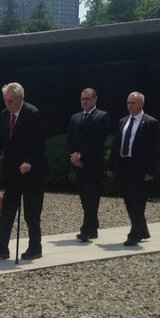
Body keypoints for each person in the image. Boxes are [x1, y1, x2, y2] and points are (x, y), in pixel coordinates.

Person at [0, 82, 48, 260]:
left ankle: (35, 247)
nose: (8, 104)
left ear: (21, 99)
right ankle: (1, 247)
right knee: (7, 210)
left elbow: (39, 143)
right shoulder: (4, 115)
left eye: (11, 101)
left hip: (31, 172)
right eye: (5, 100)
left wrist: (29, 161)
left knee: (31, 213)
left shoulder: (32, 114)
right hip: (13, 173)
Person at [109, 91, 160, 246]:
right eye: (128, 103)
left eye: (133, 103)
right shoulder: (122, 121)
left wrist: (151, 171)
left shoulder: (150, 122)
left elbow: (155, 149)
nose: (130, 106)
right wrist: (112, 165)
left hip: (140, 167)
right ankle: (142, 229)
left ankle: (135, 233)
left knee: (138, 201)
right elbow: (117, 145)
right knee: (129, 200)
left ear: (141, 104)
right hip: (125, 166)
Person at [66, 88, 111, 241]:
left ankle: (86, 229)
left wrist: (81, 154)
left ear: (95, 99)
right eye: (82, 99)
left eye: (87, 98)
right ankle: (93, 226)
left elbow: (98, 140)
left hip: (94, 163)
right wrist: (73, 155)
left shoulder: (102, 116)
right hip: (79, 164)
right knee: (84, 197)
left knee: (92, 196)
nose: (84, 101)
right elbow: (70, 138)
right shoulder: (75, 118)